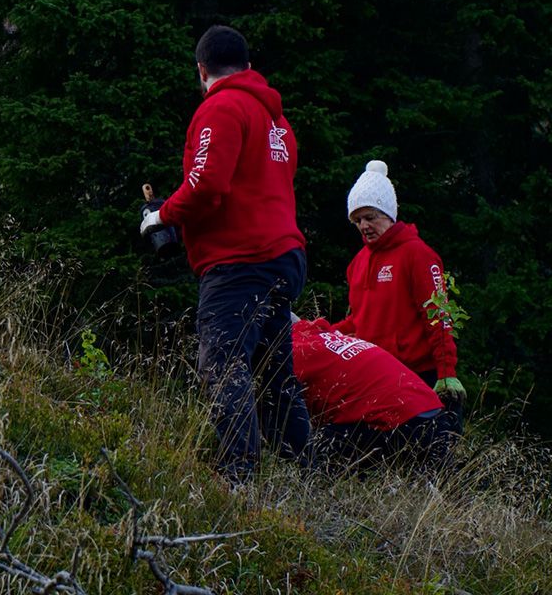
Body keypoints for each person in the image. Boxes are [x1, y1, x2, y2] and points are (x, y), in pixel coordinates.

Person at [140, 25, 309, 481]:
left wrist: (163, 217)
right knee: (276, 376)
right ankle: (305, 476)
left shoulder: (221, 108)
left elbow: (208, 183)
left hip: (239, 263)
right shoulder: (278, 122)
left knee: (223, 362)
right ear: (249, 66)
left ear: (201, 70)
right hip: (284, 259)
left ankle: (238, 477)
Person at [333, 160, 466, 404]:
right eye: (357, 220)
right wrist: (325, 334)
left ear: (388, 214)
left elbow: (438, 316)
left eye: (370, 217)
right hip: (374, 374)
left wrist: (447, 373)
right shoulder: (357, 263)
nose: (364, 226)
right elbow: (359, 320)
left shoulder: (418, 254)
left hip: (418, 375)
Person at [290, 315, 460, 468]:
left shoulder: (295, 352)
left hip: (401, 425)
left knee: (311, 448)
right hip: (435, 417)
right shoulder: (329, 336)